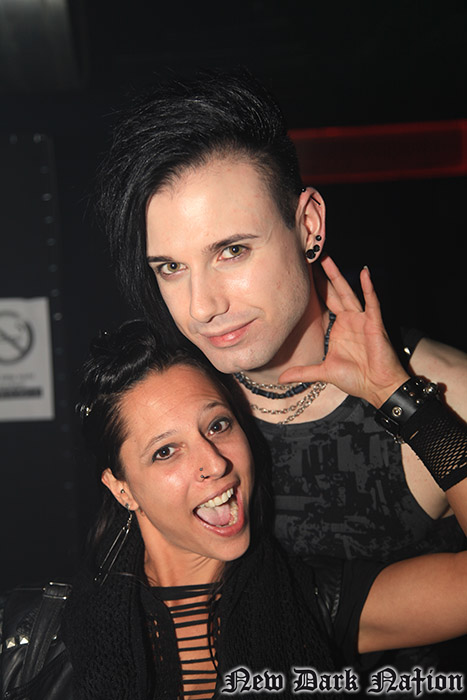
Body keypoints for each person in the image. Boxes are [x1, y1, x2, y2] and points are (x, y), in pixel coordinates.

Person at [99, 69, 467, 567]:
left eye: (232, 251)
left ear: (308, 225)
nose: (202, 306)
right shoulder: (162, 408)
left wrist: (401, 401)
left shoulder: (448, 394)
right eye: (171, 268)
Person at [2, 320, 467, 700]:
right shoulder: (32, 635)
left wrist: (401, 399)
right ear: (122, 489)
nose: (215, 462)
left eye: (218, 425)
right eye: (166, 451)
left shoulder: (313, 602)